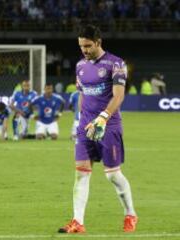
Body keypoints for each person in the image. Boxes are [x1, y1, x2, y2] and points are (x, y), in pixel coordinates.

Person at [58, 24, 137, 234]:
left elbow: (118, 95)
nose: (84, 50)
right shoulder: (80, 66)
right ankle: (78, 221)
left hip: (108, 125)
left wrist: (102, 118)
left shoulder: (116, 63)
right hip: (86, 126)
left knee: (112, 175)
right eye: (81, 46)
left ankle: (130, 214)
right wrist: (80, 121)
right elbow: (83, 95)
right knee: (81, 173)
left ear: (98, 42)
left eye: (88, 46)